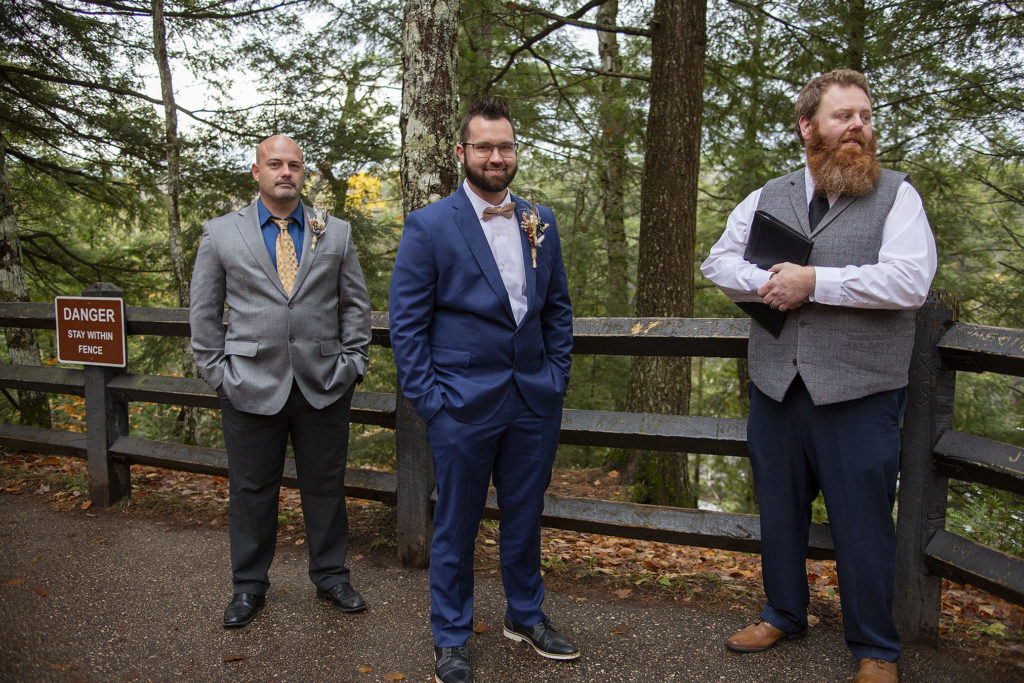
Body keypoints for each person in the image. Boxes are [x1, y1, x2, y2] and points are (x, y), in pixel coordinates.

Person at [701, 69, 937, 683]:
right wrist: (769, 282)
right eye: (843, 116)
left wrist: (817, 284)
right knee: (779, 511)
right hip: (776, 386)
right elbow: (718, 262)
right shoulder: (765, 197)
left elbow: (910, 280)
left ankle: (875, 647)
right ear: (808, 127)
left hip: (861, 392)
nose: (858, 125)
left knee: (862, 523)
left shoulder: (897, 195)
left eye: (864, 115)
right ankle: (783, 612)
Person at [389, 97, 577, 683]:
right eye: (485, 147)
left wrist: (556, 377)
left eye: (506, 147)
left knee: (525, 516)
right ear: (462, 153)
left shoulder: (539, 220)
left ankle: (525, 615)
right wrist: (433, 406)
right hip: (460, 407)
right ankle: (450, 635)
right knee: (457, 524)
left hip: (532, 402)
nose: (497, 157)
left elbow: (558, 311)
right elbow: (407, 325)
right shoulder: (429, 225)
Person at [190, 134, 372, 628]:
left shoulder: (333, 231)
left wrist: (353, 362)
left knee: (326, 486)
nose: (285, 171)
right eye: (275, 164)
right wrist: (217, 374)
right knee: (251, 490)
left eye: (294, 164)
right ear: (257, 172)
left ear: (303, 173)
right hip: (248, 382)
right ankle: (248, 587)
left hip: (324, 382)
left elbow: (355, 304)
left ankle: (332, 576)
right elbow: (204, 312)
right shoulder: (221, 233)